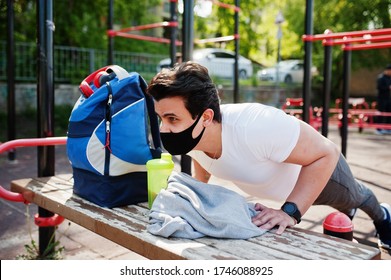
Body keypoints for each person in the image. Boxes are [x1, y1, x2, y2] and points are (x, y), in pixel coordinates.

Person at [147, 61, 391, 249]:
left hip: (321, 175)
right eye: (161, 118)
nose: (163, 129)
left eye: (172, 119)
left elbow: (326, 153)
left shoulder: (256, 125)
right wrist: (194, 197)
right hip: (286, 189)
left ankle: (383, 217)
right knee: (346, 207)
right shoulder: (194, 136)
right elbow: (206, 160)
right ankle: (348, 212)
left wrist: (290, 212)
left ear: (207, 117)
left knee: (356, 196)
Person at [376, 64, 391, 134]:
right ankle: (379, 128)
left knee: (388, 113)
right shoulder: (381, 78)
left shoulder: (389, 78)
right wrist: (388, 88)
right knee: (381, 113)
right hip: (381, 98)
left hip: (388, 98)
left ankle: (387, 128)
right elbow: (379, 87)